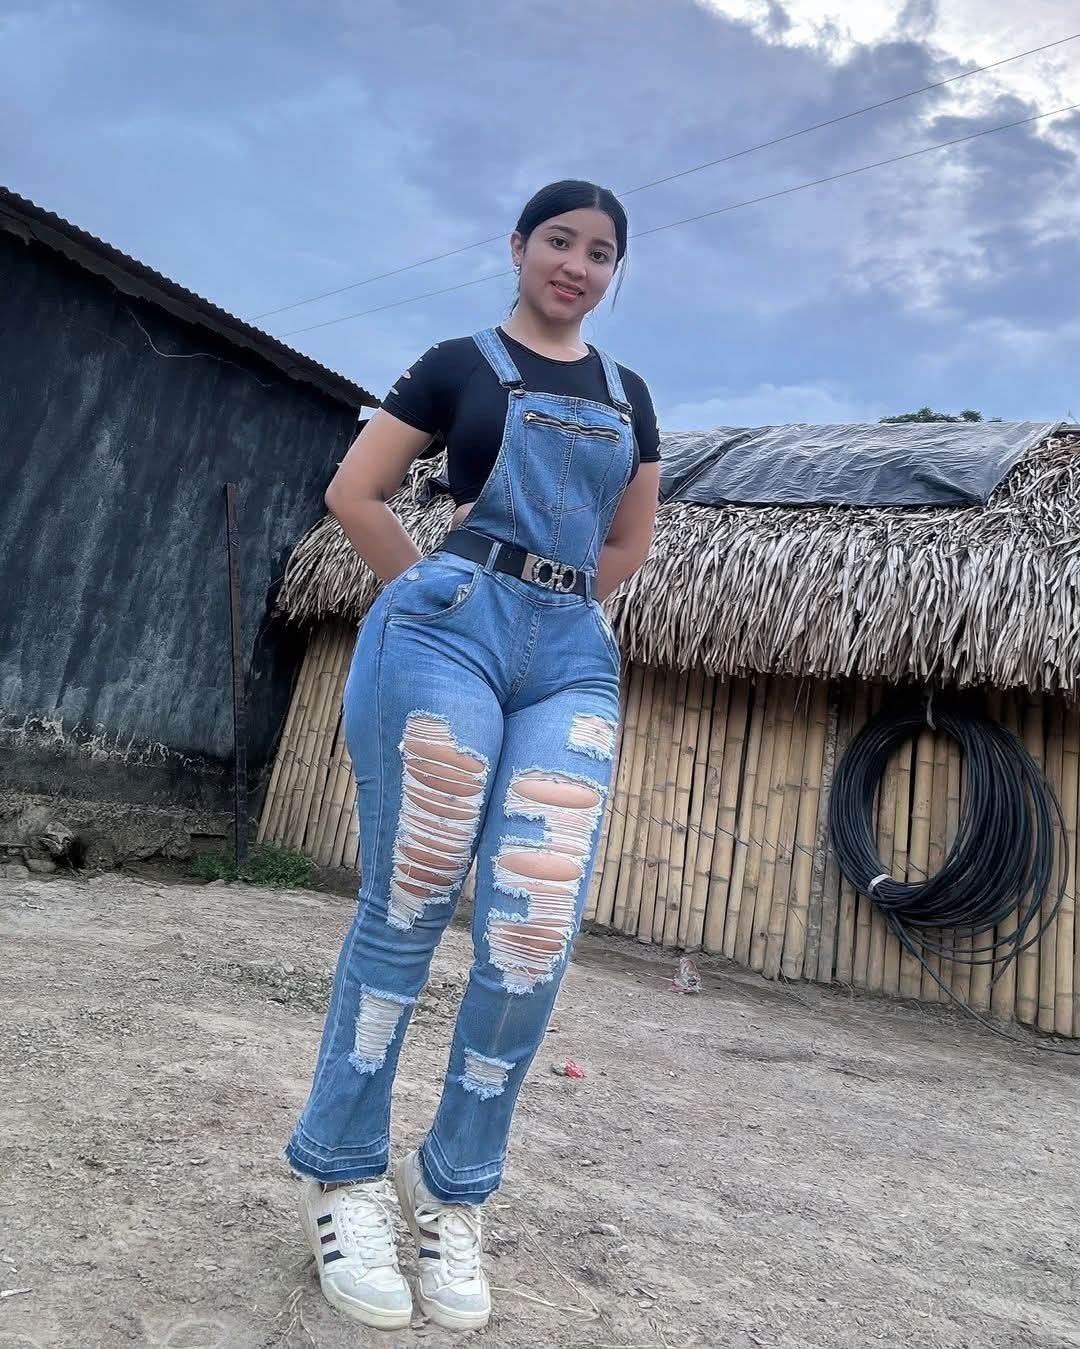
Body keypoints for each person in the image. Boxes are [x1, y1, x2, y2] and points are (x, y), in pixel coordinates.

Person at [285, 179, 661, 1332]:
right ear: (518, 246)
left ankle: (451, 1189)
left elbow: (628, 543)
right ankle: (343, 1171)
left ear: (614, 271)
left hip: (570, 656)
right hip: (448, 627)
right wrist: (439, 598)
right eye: (560, 240)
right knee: (409, 896)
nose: (578, 265)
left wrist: (551, 610)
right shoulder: (460, 364)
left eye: (601, 252)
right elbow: (355, 491)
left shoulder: (630, 396)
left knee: (534, 927)